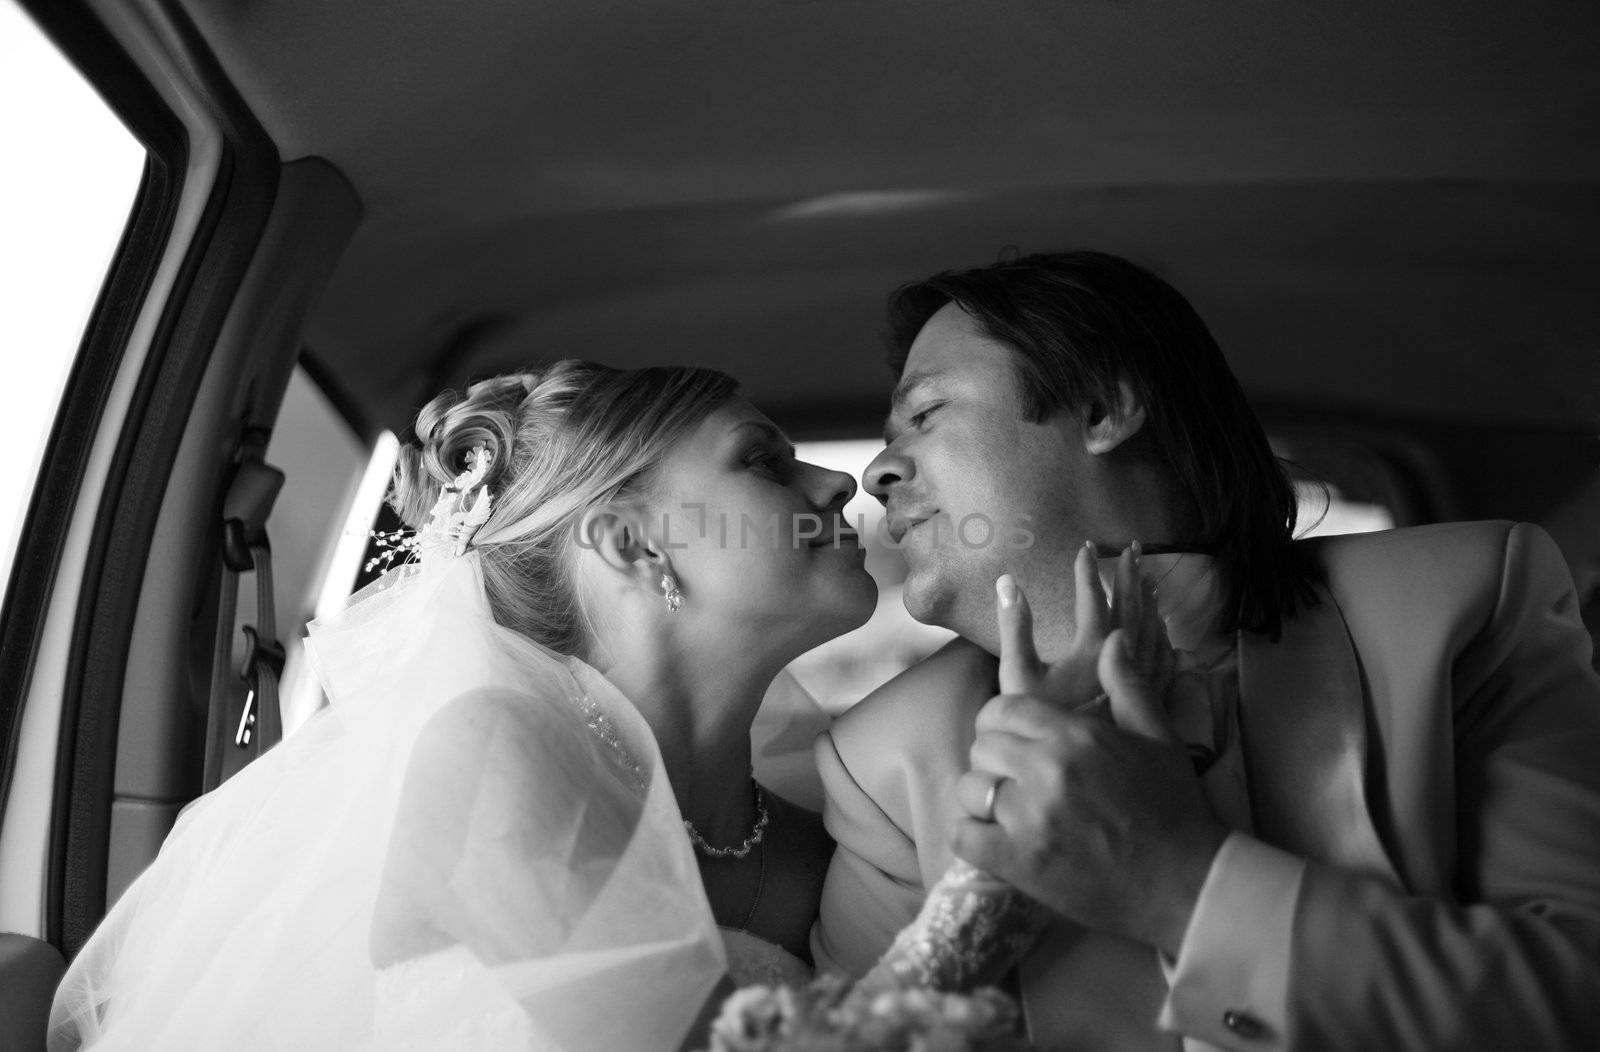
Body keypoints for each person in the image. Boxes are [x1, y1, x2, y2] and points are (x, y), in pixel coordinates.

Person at [811, 251, 1600, 1049]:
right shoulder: (881, 767)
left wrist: (1180, 884)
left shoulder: (1463, 608)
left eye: (925, 413)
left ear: (1102, 409)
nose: (877, 471)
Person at [50, 361, 878, 1050]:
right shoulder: (487, 754)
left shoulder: (829, 836)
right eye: (762, 461)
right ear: (633, 544)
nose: (839, 480)